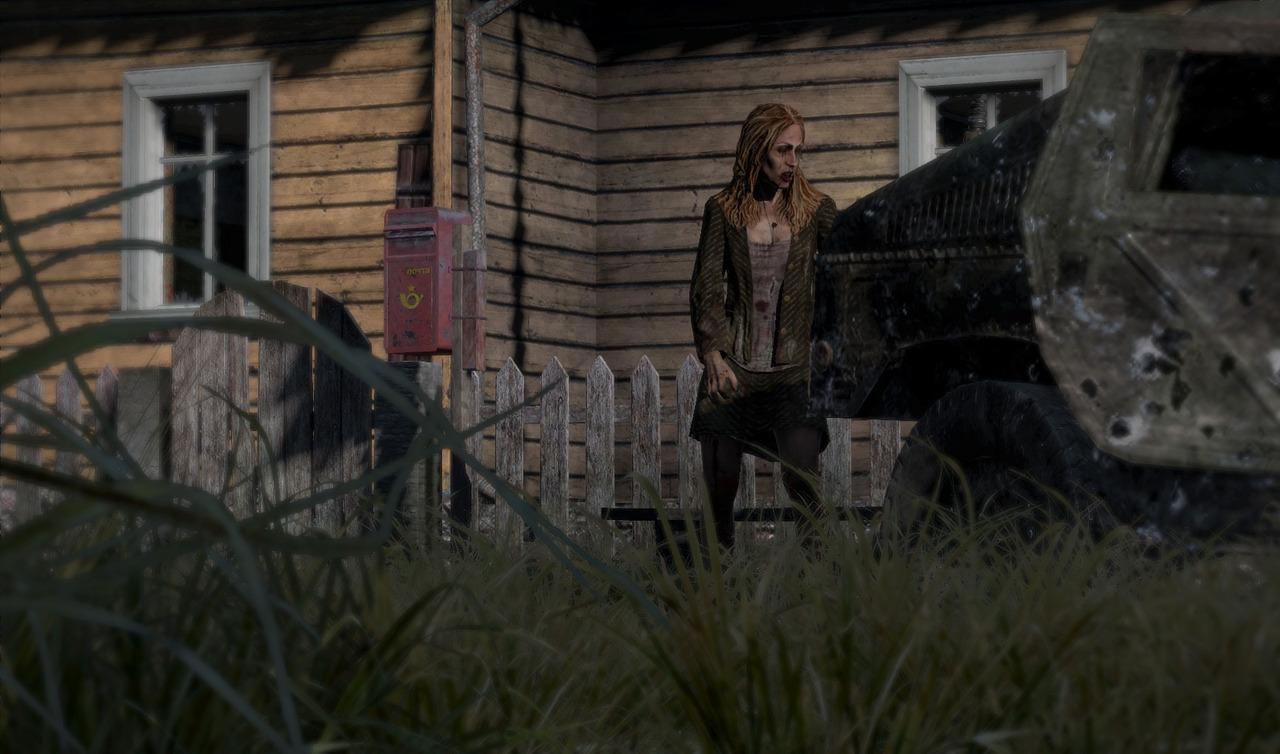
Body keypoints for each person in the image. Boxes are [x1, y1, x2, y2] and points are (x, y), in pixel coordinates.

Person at [688, 103, 839, 552]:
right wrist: (713, 354)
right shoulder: (722, 210)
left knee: (803, 484)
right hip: (734, 366)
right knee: (719, 485)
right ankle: (718, 573)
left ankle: (823, 576)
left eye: (798, 151)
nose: (793, 162)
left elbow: (844, 275)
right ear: (757, 149)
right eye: (783, 150)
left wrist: (830, 337)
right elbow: (706, 286)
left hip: (793, 370)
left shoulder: (816, 209)